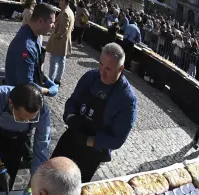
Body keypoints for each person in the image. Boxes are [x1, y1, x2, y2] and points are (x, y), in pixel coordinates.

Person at [51, 43, 137, 182]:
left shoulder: (126, 99)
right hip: (73, 134)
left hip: (93, 150)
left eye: (108, 68)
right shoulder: (90, 77)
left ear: (121, 68)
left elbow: (117, 139)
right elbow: (72, 101)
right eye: (101, 64)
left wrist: (88, 140)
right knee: (51, 174)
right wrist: (71, 118)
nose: (102, 72)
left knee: (75, 185)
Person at [5, 3, 59, 97]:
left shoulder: (33, 33)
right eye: (52, 22)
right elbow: (26, 85)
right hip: (21, 98)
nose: (53, 26)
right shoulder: (26, 47)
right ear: (41, 21)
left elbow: (35, 67)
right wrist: (48, 91)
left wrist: (45, 79)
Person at [46, 0, 75, 86]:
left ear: (64, 1)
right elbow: (71, 28)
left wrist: (55, 36)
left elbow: (63, 29)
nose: (59, 2)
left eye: (61, 0)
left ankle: (51, 80)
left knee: (53, 62)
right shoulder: (70, 12)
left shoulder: (65, 13)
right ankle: (58, 79)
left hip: (59, 42)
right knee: (61, 61)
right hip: (64, 41)